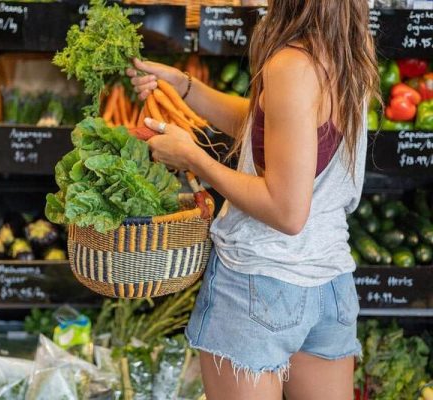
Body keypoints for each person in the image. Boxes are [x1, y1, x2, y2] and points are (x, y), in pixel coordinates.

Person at [127, 0, 379, 399]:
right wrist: (185, 87)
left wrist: (193, 156)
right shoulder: (351, 43)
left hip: (258, 283)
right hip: (329, 282)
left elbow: (286, 212)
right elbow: (281, 128)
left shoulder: (291, 65)